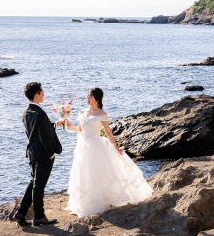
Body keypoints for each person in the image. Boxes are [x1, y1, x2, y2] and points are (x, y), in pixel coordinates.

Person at [64, 87, 152, 217]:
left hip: (96, 146)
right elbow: (79, 130)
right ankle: (83, 203)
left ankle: (99, 201)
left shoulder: (101, 114)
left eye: (91, 96)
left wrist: (115, 146)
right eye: (87, 95)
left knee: (97, 173)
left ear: (97, 99)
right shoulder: (82, 112)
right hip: (83, 146)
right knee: (83, 172)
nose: (88, 98)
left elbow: (108, 132)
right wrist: (67, 124)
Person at [10, 82, 64, 227]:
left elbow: (36, 130)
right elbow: (43, 136)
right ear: (37, 95)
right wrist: (51, 153)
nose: (44, 94)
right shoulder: (40, 113)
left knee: (34, 182)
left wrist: (55, 125)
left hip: (32, 153)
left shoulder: (26, 111)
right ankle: (39, 216)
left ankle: (20, 213)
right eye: (42, 92)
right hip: (42, 155)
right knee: (39, 185)